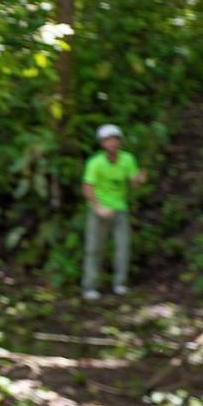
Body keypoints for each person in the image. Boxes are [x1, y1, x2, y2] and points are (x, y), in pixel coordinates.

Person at [81, 123, 147, 300]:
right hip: (98, 210)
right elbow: (87, 187)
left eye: (115, 139)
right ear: (102, 143)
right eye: (108, 140)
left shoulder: (127, 159)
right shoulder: (95, 162)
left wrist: (139, 179)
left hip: (120, 209)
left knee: (122, 247)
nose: (112, 143)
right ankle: (90, 286)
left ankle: (120, 284)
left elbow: (132, 182)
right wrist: (98, 208)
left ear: (120, 141)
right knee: (94, 248)